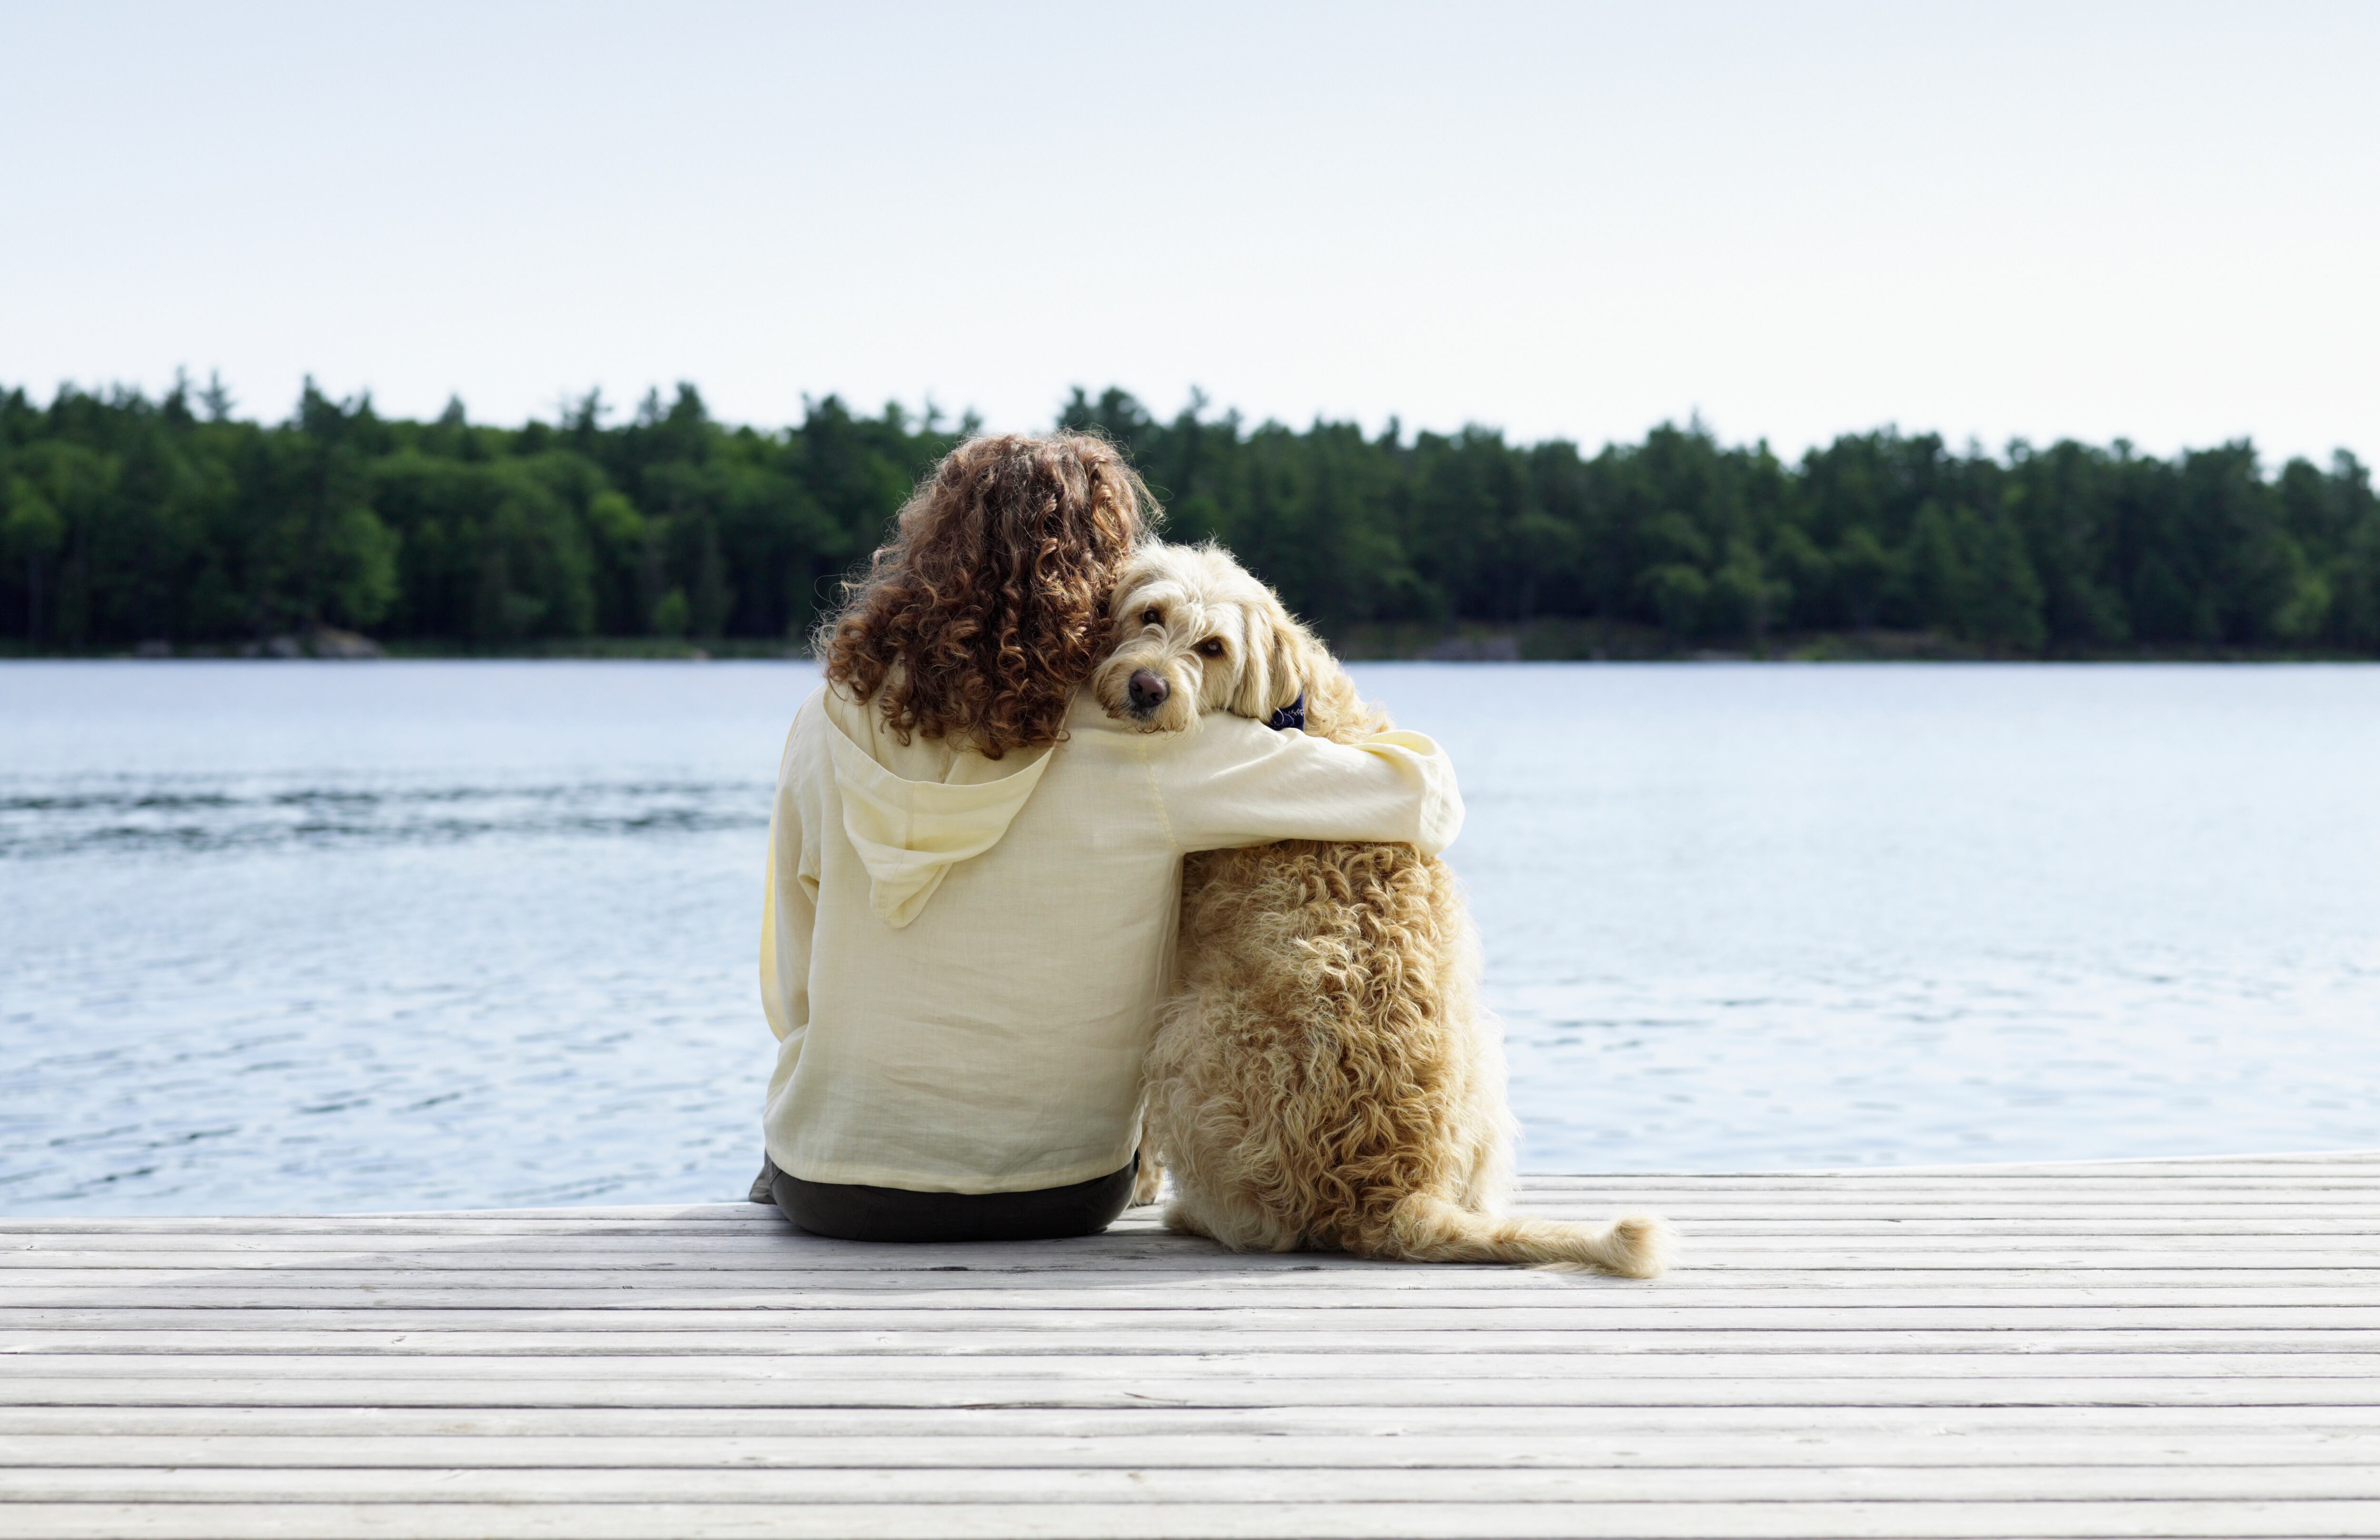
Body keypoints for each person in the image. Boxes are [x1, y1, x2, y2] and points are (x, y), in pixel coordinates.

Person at [753, 432, 1462, 1242]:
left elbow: (790, 982)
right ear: (1098, 581)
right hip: (1058, 1191)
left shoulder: (824, 719)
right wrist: (1302, 697)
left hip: (831, 1186)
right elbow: (1425, 801)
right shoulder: (1154, 748)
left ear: (923, 553)